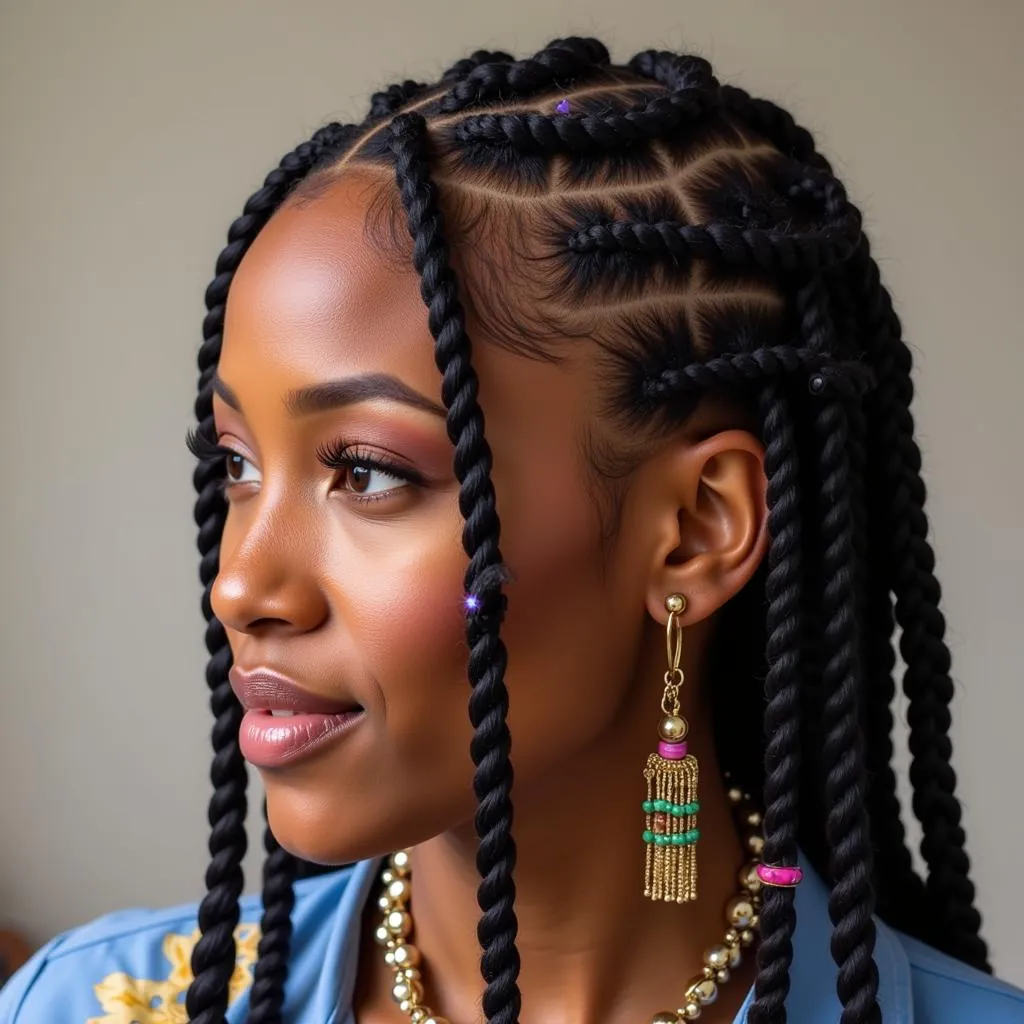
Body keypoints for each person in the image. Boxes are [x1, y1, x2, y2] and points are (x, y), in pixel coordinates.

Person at [2, 35, 1022, 1024]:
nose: (241, 585)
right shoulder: (78, 1007)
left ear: (696, 529)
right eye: (235, 465)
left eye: (364, 472)